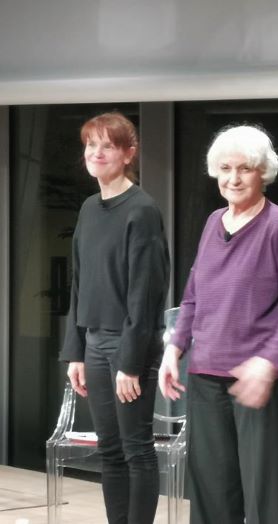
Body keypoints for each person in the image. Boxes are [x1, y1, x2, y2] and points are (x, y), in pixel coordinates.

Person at [158, 125, 278, 524]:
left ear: (262, 172)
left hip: (260, 379)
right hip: (207, 373)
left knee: (263, 498)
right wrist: (174, 349)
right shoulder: (214, 221)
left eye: (244, 168)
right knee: (211, 495)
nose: (233, 178)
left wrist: (268, 363)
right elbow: (194, 294)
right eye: (225, 168)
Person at [60, 112, 170, 524]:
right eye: (91, 145)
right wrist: (75, 351)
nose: (96, 153)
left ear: (128, 154)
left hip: (128, 346)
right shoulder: (90, 208)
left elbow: (145, 295)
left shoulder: (141, 210)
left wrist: (130, 361)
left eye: (108, 145)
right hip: (92, 343)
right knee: (109, 450)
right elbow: (79, 281)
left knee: (136, 449)